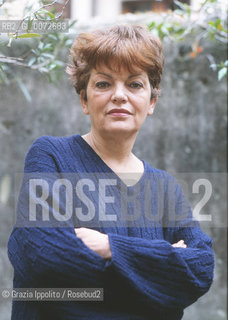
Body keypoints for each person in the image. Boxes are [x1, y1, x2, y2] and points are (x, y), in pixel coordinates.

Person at [8, 24, 214, 320]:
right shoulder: (50, 156)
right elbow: (44, 261)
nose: (119, 95)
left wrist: (107, 246)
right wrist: (162, 266)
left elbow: (201, 268)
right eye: (103, 84)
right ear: (84, 100)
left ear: (152, 101)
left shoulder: (165, 188)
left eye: (134, 84)